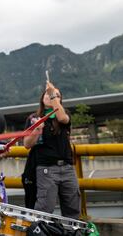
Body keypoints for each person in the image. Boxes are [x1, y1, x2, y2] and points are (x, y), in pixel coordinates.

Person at [23, 81, 81, 219]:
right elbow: (26, 144)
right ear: (42, 99)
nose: (51, 96)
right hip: (46, 168)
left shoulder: (64, 114)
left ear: (60, 100)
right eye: (48, 95)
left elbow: (62, 118)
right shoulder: (33, 118)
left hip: (67, 167)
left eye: (56, 95)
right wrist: (37, 129)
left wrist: (52, 93)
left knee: (73, 207)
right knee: (44, 208)